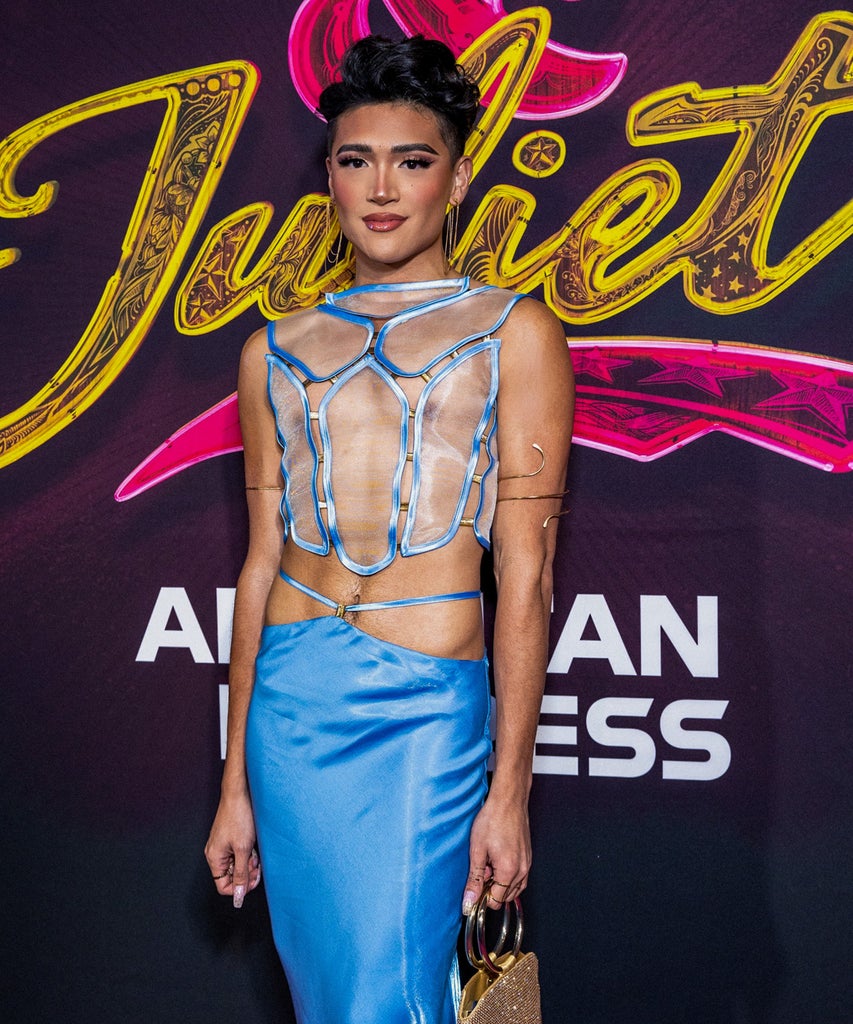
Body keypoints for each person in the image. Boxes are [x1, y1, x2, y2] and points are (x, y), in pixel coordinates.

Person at [204, 33, 574, 1024]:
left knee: (390, 997)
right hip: (291, 708)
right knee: (330, 997)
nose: (380, 188)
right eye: (354, 160)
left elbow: (528, 573)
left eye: (411, 161)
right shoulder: (271, 350)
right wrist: (234, 784)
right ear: (328, 175)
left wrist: (508, 791)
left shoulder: (515, 331)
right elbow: (259, 564)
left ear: (456, 180)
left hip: (422, 712)